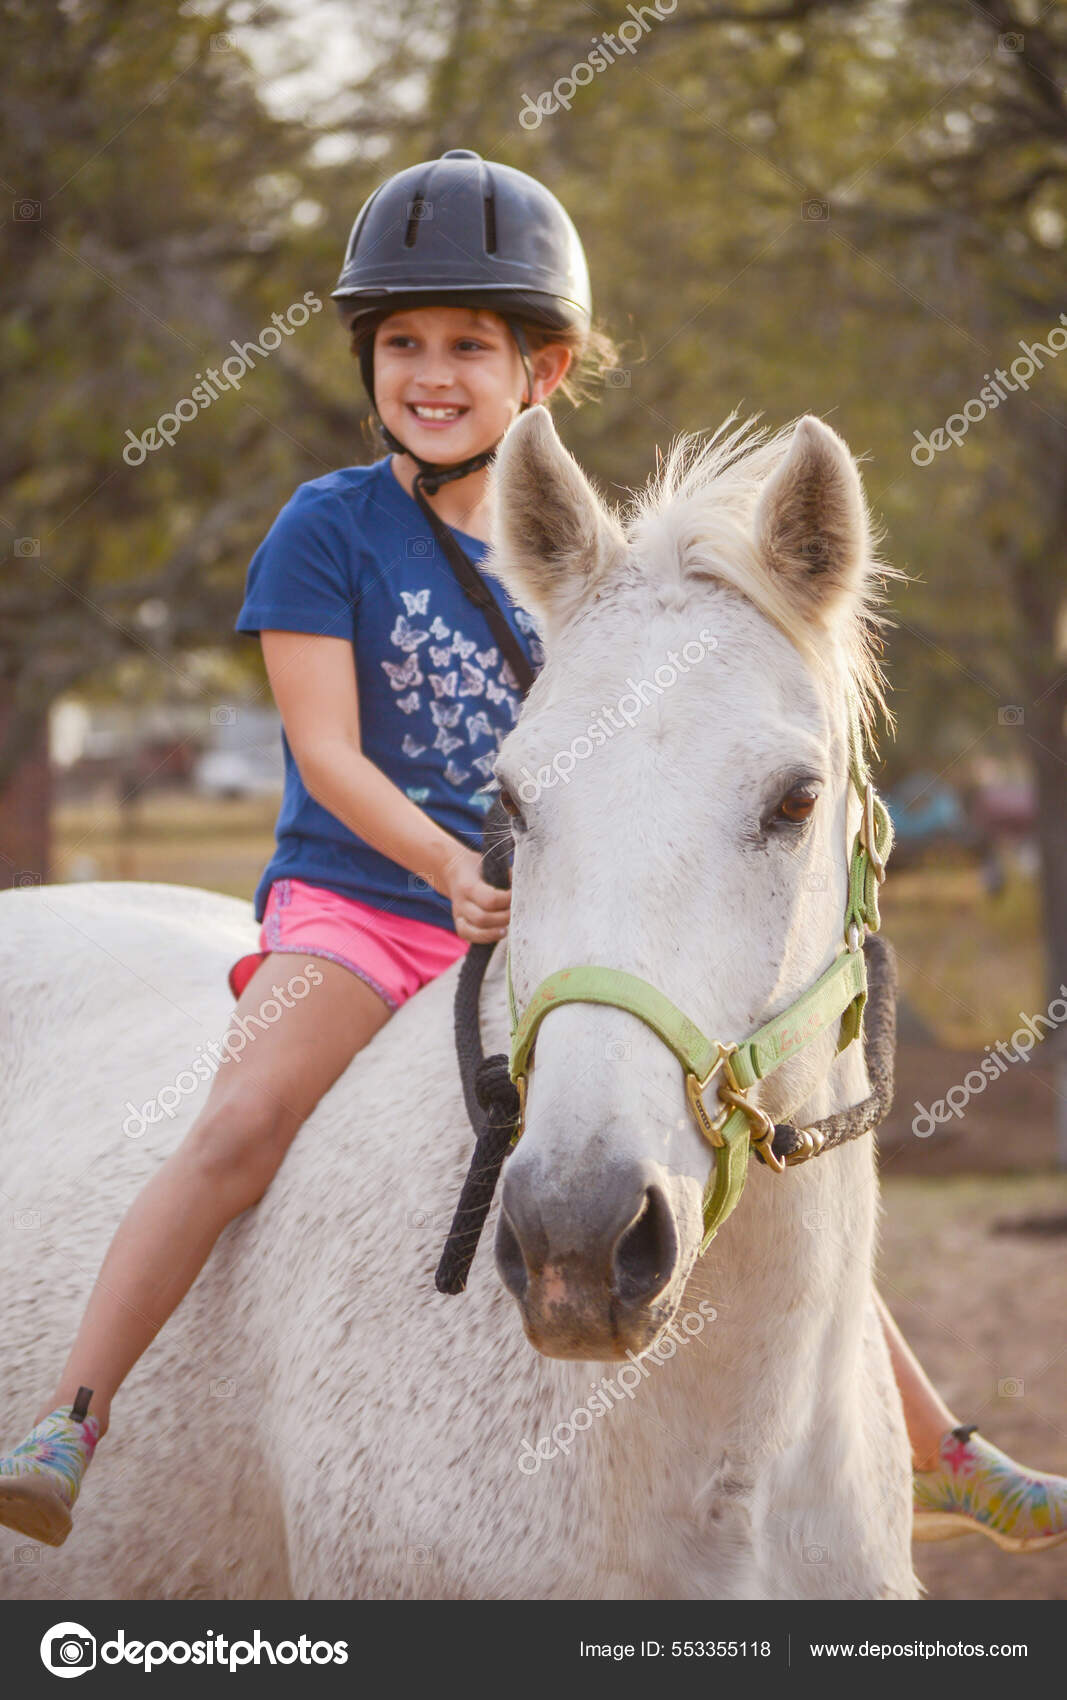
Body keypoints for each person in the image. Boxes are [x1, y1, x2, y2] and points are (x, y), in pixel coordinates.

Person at [0, 151, 1062, 1560]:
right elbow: (325, 756)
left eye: (470, 348)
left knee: (751, 1144)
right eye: (403, 346)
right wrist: (447, 870)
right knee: (240, 1122)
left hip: (519, 916)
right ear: (370, 361)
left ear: (543, 373)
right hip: (361, 906)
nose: (432, 374)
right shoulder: (329, 529)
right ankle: (76, 1408)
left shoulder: (573, 563)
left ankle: (934, 1448)